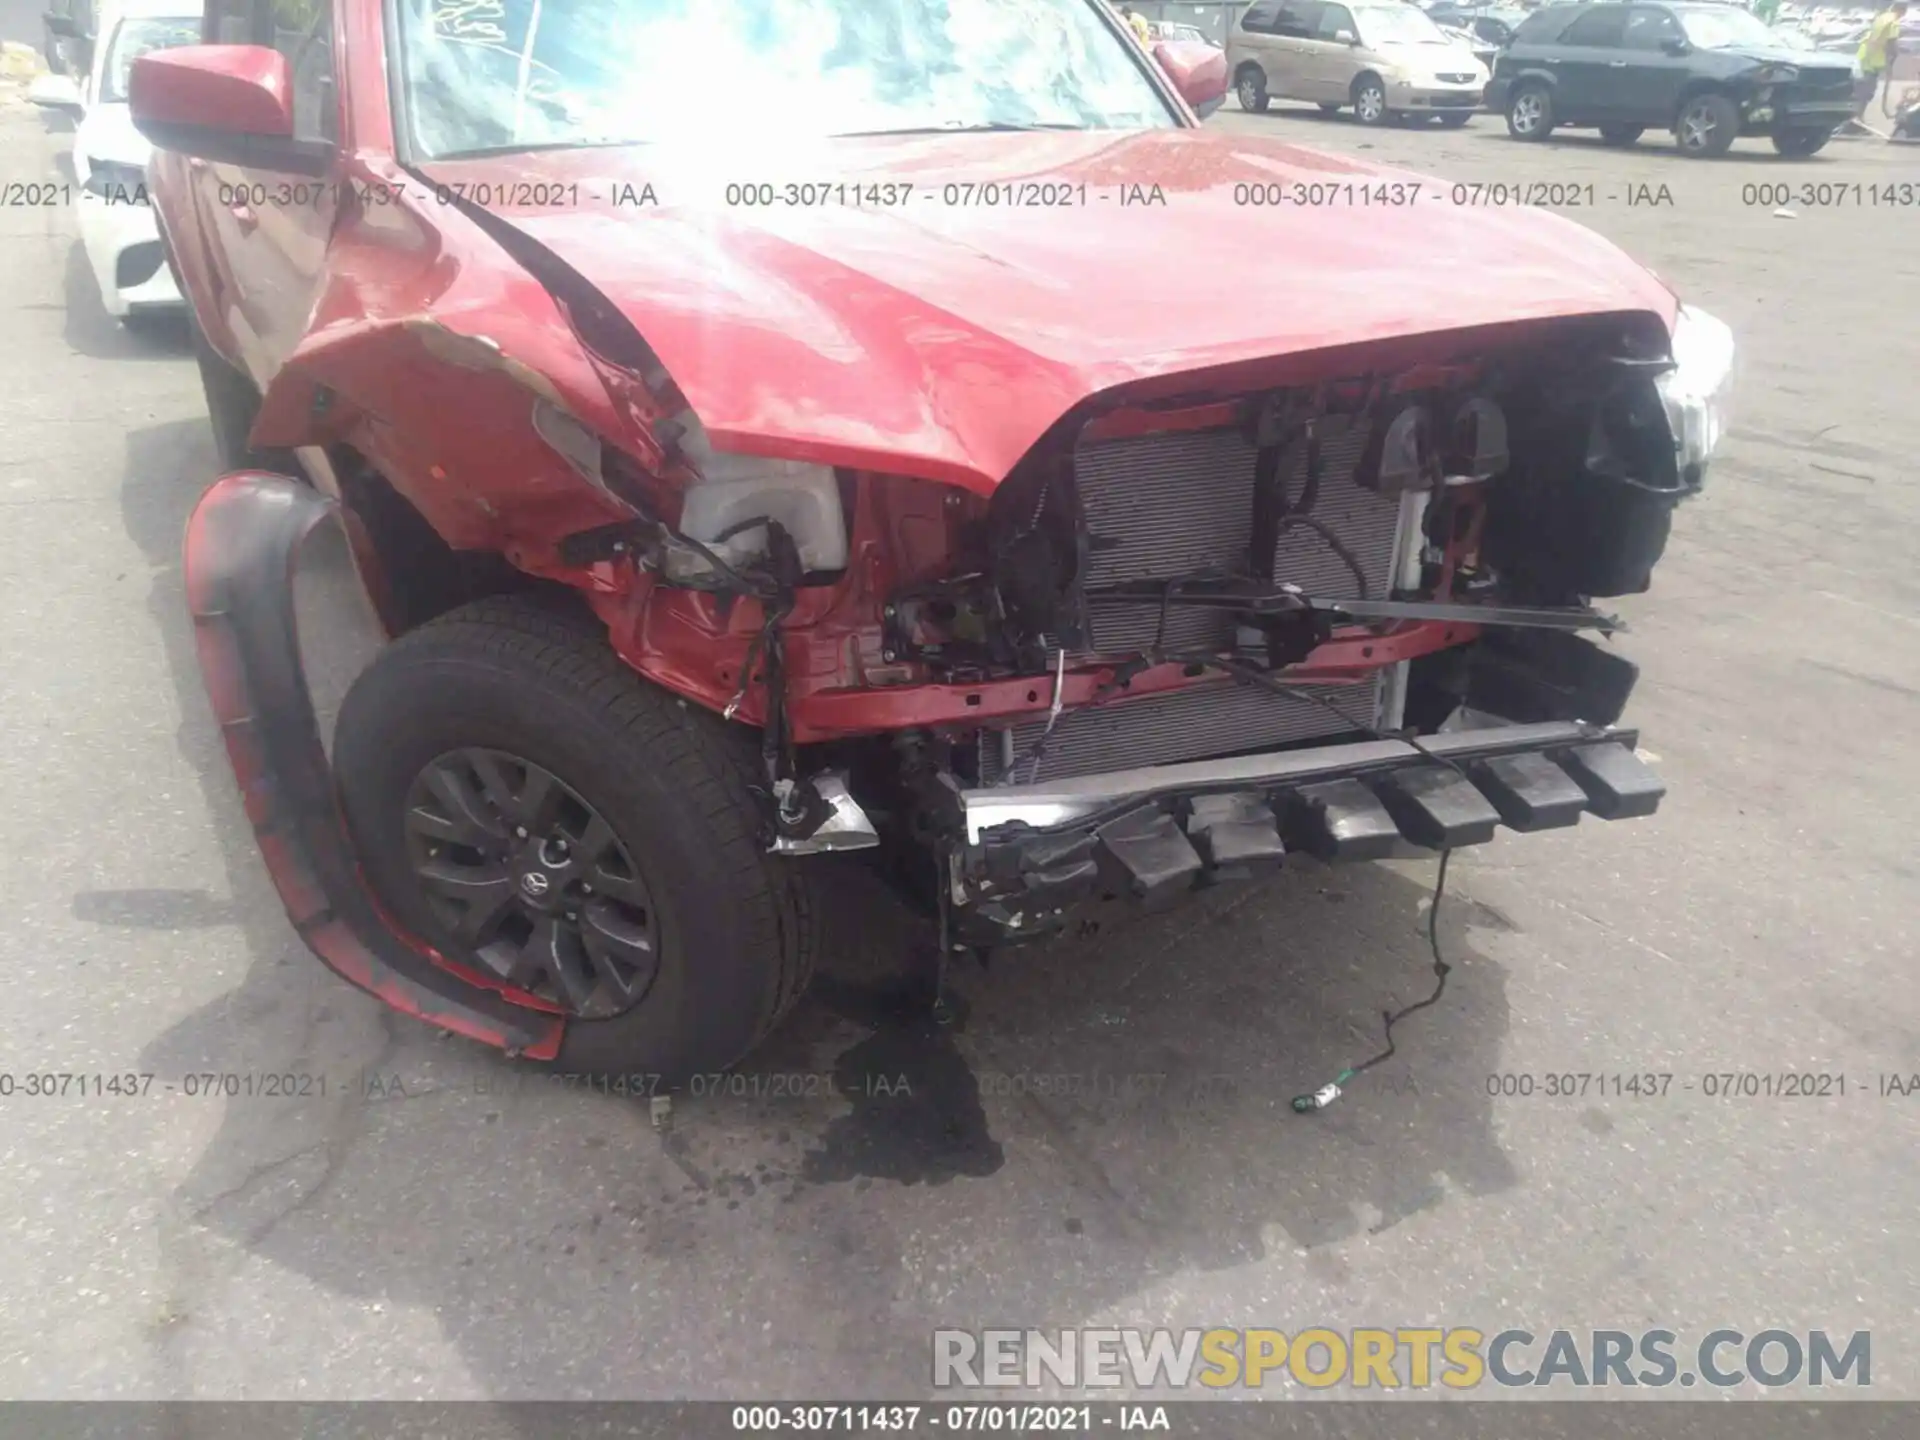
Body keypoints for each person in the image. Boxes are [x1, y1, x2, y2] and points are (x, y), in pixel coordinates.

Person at [1853, 1, 1907, 129]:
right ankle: (1855, 120)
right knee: (1866, 91)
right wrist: (1894, 57)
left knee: (1862, 90)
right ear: (1903, 10)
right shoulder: (1893, 21)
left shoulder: (1882, 17)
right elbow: (1891, 42)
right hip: (1871, 60)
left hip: (1865, 56)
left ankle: (1857, 119)